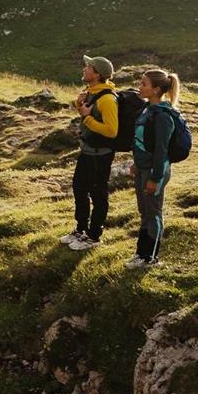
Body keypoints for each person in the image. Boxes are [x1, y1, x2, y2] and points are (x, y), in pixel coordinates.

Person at [62, 55, 119, 251]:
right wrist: (80, 107)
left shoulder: (107, 99)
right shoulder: (92, 93)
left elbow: (112, 131)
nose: (84, 69)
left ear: (97, 74)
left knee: (98, 194)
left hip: (101, 154)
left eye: (88, 67)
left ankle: (94, 235)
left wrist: (87, 119)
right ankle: (81, 229)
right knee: (79, 188)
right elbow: (88, 115)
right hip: (87, 152)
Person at [129, 66, 182, 268]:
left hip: (155, 172)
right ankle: (141, 254)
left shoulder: (163, 116)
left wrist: (155, 177)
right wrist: (137, 163)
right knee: (145, 212)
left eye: (144, 84)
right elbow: (143, 141)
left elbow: (161, 150)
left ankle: (151, 258)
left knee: (153, 213)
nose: (139, 87)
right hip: (143, 168)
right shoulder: (147, 110)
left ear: (157, 89)